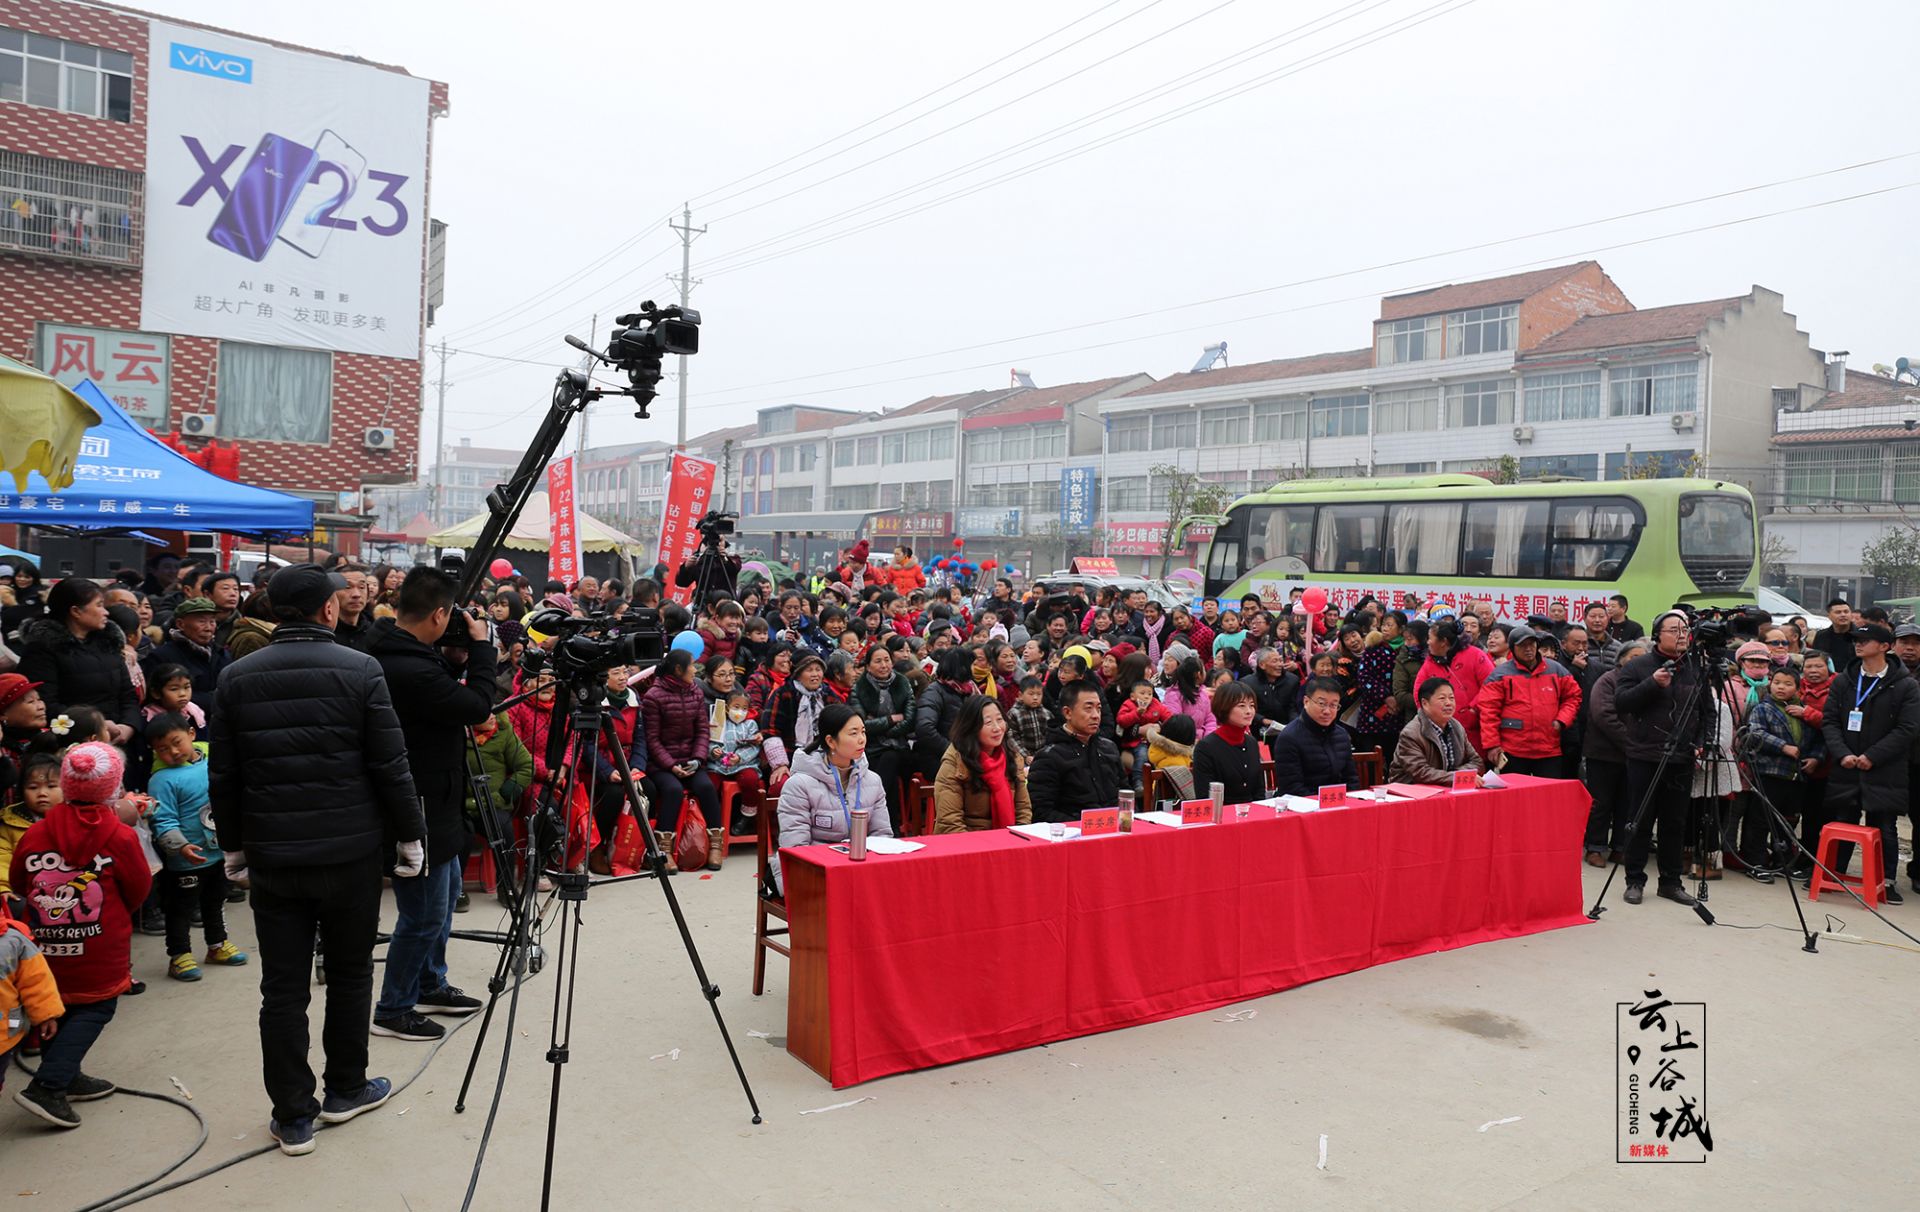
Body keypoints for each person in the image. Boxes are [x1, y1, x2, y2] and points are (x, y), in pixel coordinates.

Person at [210, 563, 423, 1155]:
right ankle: (345, 1089)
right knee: (351, 974)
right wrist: (410, 836)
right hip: (350, 853)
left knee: (282, 989)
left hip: (274, 856)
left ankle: (293, 1115)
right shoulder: (361, 669)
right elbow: (390, 763)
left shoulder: (236, 676)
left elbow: (224, 774)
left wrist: (232, 846)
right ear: (327, 610)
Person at [365, 568, 497, 1038]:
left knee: (440, 904)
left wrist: (457, 660)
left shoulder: (401, 651)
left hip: (435, 799)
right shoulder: (406, 666)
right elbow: (478, 706)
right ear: (440, 614)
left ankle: (429, 983)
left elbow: (440, 694)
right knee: (422, 915)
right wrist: (482, 650)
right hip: (416, 804)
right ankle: (393, 1008)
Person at [7, 742, 150, 1128]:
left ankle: (67, 1076)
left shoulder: (36, 835)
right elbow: (139, 887)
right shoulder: (119, 836)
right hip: (100, 945)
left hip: (45, 944)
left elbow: (19, 880)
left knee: (58, 1005)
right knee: (97, 1006)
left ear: (66, 786)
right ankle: (49, 1085)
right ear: (114, 789)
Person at [1819, 623, 1920, 904]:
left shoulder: (1905, 685)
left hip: (1885, 767)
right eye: (1856, 640)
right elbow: (1829, 721)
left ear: (1885, 646)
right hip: (1847, 764)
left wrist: (1872, 756)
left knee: (1884, 825)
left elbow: (1907, 728)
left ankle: (1886, 881)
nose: (1858, 644)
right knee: (1843, 820)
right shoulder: (1844, 680)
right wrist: (1842, 753)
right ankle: (1833, 874)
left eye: (1865, 640)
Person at [145, 710, 247, 982]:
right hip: (185, 859)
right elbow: (163, 819)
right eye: (163, 749)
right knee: (180, 909)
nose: (173, 752)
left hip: (218, 852)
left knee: (216, 901)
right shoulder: (162, 780)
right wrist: (180, 847)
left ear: (191, 734)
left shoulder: (212, 762)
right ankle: (179, 956)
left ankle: (217, 945)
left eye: (177, 742)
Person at [1612, 612, 1704, 908]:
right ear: (1657, 634)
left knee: (1674, 822)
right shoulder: (1638, 666)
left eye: (1685, 629)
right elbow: (1621, 703)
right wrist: (1652, 684)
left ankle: (1671, 882)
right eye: (1674, 629)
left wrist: (1703, 743)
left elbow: (1708, 712)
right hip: (1645, 754)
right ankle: (1635, 881)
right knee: (1639, 820)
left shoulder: (1695, 667)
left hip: (1683, 756)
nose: (1681, 635)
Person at [773, 703, 892, 890]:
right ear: (830, 741)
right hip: (813, 873)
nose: (862, 739)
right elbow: (796, 849)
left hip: (860, 870)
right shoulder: (800, 785)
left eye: (863, 732)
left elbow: (882, 835)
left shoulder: (872, 781)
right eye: (853, 733)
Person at [17, 578, 138, 746]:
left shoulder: (108, 642)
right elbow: (45, 704)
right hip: (73, 742)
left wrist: (128, 726)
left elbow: (128, 695)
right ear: (76, 611)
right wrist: (97, 725)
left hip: (119, 738)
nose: (106, 612)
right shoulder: (43, 649)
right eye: (99, 605)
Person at [641, 647, 724, 872]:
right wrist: (671, 765)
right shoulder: (653, 697)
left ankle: (715, 844)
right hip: (661, 763)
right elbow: (652, 739)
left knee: (706, 787)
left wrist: (697, 758)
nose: (694, 670)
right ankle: (663, 850)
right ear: (678, 669)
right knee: (673, 790)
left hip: (690, 759)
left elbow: (702, 731)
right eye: (691, 666)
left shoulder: (695, 691)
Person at [1475, 625, 1580, 777]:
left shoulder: (1556, 670)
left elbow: (1573, 696)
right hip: (1513, 749)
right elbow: (1488, 712)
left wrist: (1563, 719)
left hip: (1548, 749)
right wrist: (1492, 745)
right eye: (1522, 645)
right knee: (1515, 798)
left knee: (1547, 796)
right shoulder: (1499, 675)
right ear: (1512, 648)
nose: (1528, 649)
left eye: (1532, 644)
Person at [1581, 640, 1647, 867]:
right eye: (1633, 657)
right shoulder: (1608, 680)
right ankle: (1595, 847)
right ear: (1621, 659)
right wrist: (1631, 740)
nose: (1638, 661)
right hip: (1604, 752)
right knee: (1601, 803)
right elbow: (1603, 715)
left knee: (1627, 804)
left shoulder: (1647, 683)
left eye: (1642, 657)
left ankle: (1620, 848)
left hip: (1635, 754)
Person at [1025, 682, 1123, 823]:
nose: (1096, 716)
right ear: (1067, 713)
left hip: (1114, 830)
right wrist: (1082, 825)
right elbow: (1041, 812)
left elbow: (1125, 795)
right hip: (1073, 835)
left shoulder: (1109, 748)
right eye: (1088, 709)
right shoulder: (1049, 757)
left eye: (1099, 709)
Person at [934, 694, 1032, 832]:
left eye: (1000, 719)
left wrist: (1018, 841)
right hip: (970, 843)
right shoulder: (954, 762)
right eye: (988, 723)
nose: (997, 728)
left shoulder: (1013, 758)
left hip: (1009, 840)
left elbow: (1023, 810)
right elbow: (949, 822)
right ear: (971, 727)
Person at [146, 597, 230, 727]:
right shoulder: (162, 656)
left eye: (212, 621)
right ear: (180, 624)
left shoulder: (221, 653)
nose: (208, 628)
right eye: (201, 621)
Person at [851, 644, 913, 824]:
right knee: (886, 763)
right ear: (868, 666)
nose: (884, 665)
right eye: (878, 661)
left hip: (900, 746)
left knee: (890, 758)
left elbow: (910, 720)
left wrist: (883, 726)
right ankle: (887, 823)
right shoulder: (859, 688)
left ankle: (879, 818)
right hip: (871, 747)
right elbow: (862, 725)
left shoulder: (902, 682)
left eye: (887, 660)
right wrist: (892, 719)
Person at [1270, 677, 1357, 797]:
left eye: (1333, 705)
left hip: (1338, 803)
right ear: (1306, 702)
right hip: (1303, 807)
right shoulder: (1289, 737)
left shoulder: (1341, 735)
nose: (1327, 711)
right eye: (1321, 704)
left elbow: (1351, 780)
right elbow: (1292, 788)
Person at [1390, 678, 1486, 786]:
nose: (1449, 703)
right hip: (1410, 793)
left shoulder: (1457, 727)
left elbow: (1477, 762)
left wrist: (1458, 775)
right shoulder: (1411, 733)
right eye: (1442, 698)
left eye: (1451, 698)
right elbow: (1421, 773)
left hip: (1447, 789)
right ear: (1425, 703)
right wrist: (1456, 777)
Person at [1414, 620, 1495, 745]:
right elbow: (1419, 692)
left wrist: (1473, 708)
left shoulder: (1475, 655)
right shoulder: (1429, 663)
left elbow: (1491, 685)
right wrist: (1428, 716)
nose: (1428, 642)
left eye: (1430, 638)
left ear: (1443, 642)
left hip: (1473, 728)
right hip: (1438, 729)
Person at [1191, 682, 1265, 805]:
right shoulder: (1206, 747)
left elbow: (1259, 789)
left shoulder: (1251, 742)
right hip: (1222, 814)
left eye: (1251, 706)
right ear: (1224, 707)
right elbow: (1204, 796)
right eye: (1242, 706)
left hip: (1253, 812)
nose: (1249, 711)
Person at [915, 648, 977, 780]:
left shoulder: (968, 691)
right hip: (939, 758)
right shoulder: (934, 692)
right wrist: (952, 751)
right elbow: (925, 729)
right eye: (972, 665)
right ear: (961, 667)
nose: (975, 668)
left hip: (965, 753)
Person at [1809, 598, 1858, 673]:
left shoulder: (1860, 636)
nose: (1843, 615)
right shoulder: (1821, 636)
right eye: (1838, 612)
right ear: (1829, 616)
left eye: (1846, 612)